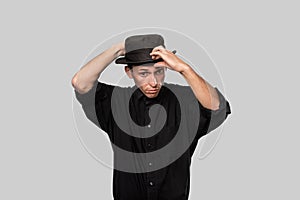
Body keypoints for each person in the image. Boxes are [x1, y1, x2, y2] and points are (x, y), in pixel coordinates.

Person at [72, 34, 231, 200]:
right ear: (129, 72)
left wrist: (184, 69)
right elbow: (79, 83)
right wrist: (119, 49)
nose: (153, 82)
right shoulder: (116, 101)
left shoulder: (183, 99)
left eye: (159, 72)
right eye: (143, 73)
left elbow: (217, 108)